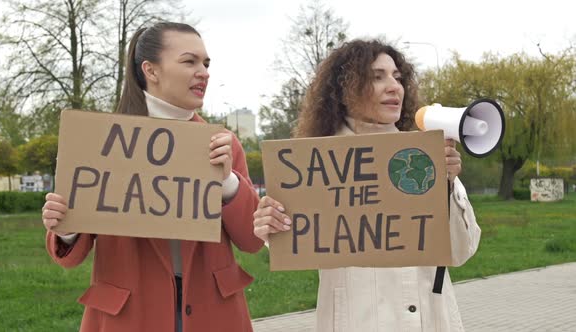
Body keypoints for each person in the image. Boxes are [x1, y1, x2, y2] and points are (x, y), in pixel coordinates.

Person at [42, 22, 263, 332]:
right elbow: (69, 256)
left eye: (206, 63)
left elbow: (252, 241)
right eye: (189, 61)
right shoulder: (100, 140)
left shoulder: (223, 143)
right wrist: (65, 228)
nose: (204, 72)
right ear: (151, 70)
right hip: (128, 316)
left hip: (214, 314)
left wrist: (227, 183)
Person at [253, 39, 481, 331]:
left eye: (397, 78)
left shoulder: (423, 158)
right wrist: (270, 224)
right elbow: (296, 242)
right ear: (345, 90)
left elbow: (461, 251)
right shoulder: (315, 165)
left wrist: (447, 188)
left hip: (430, 319)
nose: (393, 86)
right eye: (377, 77)